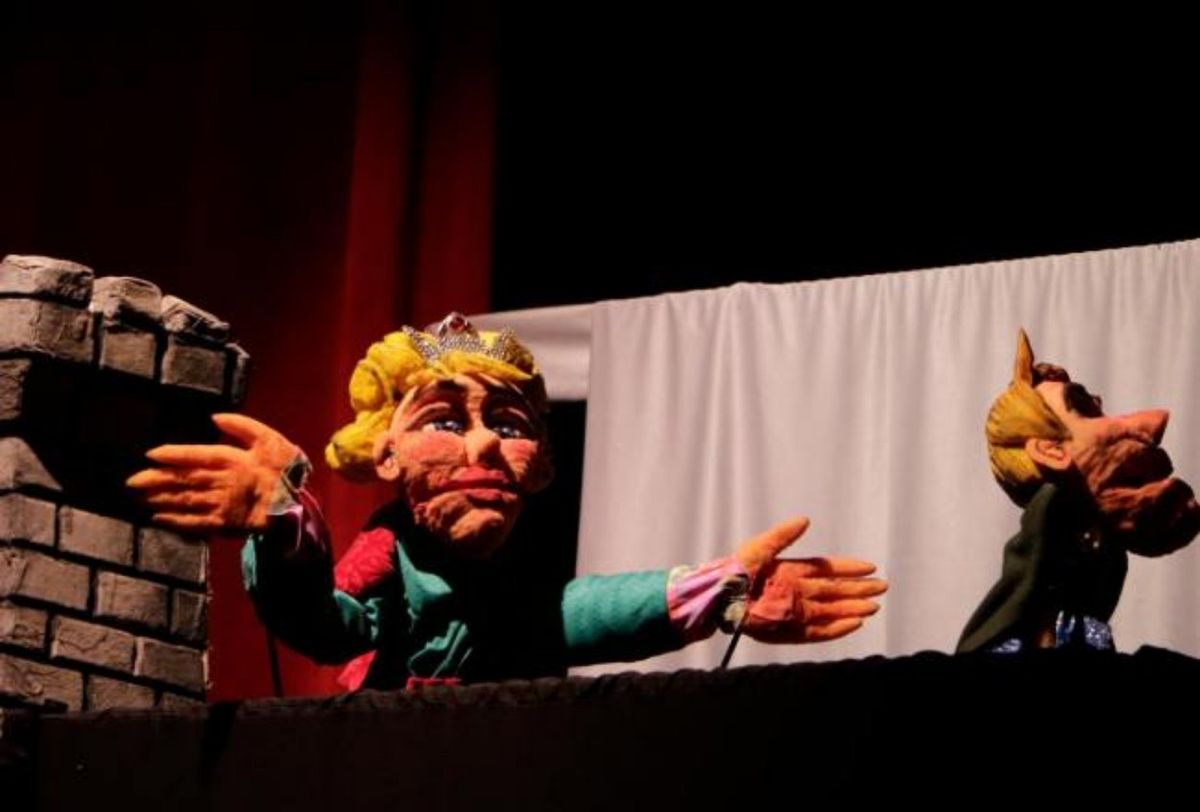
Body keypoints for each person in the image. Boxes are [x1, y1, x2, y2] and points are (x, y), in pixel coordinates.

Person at [129, 313, 887, 687]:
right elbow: (330, 626)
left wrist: (721, 591)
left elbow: (575, 615)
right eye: (443, 422)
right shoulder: (390, 558)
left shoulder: (515, 584)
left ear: (543, 466)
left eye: (511, 425)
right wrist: (285, 519)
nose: (486, 445)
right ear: (386, 453)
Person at [958, 329, 1200, 653]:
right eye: (1087, 409)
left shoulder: (1101, 544)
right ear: (1051, 451)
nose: (1155, 422)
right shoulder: (1051, 519)